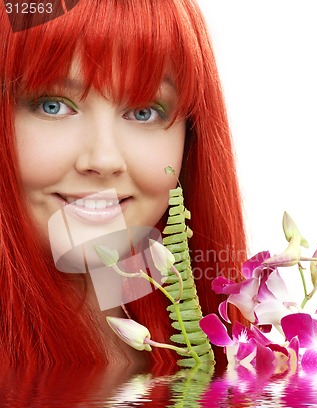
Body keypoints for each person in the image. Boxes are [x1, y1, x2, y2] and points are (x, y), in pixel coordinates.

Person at [0, 0, 247, 367]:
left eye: (143, 111)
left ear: (190, 136)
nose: (103, 160)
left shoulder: (227, 353)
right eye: (52, 105)